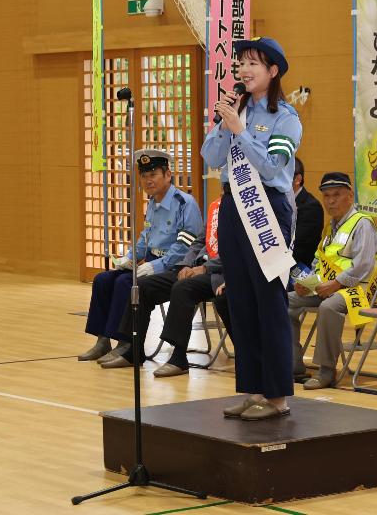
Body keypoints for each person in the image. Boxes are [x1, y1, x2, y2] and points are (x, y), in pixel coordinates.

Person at [202, 36, 302, 421]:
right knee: (240, 300)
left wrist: (241, 130)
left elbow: (274, 167)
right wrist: (227, 124)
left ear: (272, 71)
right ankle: (253, 389)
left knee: (268, 300)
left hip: (267, 209)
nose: (243, 70)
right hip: (232, 205)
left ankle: (277, 397)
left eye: (253, 64)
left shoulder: (285, 118)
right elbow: (210, 157)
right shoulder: (233, 109)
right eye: (241, 63)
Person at [78, 149, 203, 362]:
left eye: (153, 175)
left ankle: (125, 343)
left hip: (174, 266)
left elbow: (184, 248)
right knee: (103, 280)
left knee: (125, 283)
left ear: (167, 175)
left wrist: (156, 266)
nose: (148, 181)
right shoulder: (153, 204)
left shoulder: (184, 203)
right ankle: (102, 340)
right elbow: (145, 239)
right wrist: (129, 258)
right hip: (152, 262)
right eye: (144, 176)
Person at [99, 207, 231, 373]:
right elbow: (198, 242)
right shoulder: (216, 207)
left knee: (182, 288)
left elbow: (237, 250)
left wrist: (205, 268)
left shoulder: (239, 207)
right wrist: (186, 264)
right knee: (142, 286)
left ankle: (179, 357)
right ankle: (134, 350)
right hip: (195, 267)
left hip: (220, 275)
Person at [288, 172, 377, 389]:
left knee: (329, 307)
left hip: (357, 289)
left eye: (337, 195)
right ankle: (292, 363)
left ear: (350, 196)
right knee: (288, 301)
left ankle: (326, 371)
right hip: (328, 286)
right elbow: (319, 261)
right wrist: (307, 282)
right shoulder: (330, 227)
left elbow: (363, 265)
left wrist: (336, 284)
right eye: (326, 196)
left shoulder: (362, 224)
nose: (331, 201)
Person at [292, 157, 324, 267]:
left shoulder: (311, 207)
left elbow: (300, 250)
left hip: (298, 272)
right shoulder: (278, 201)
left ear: (298, 179)